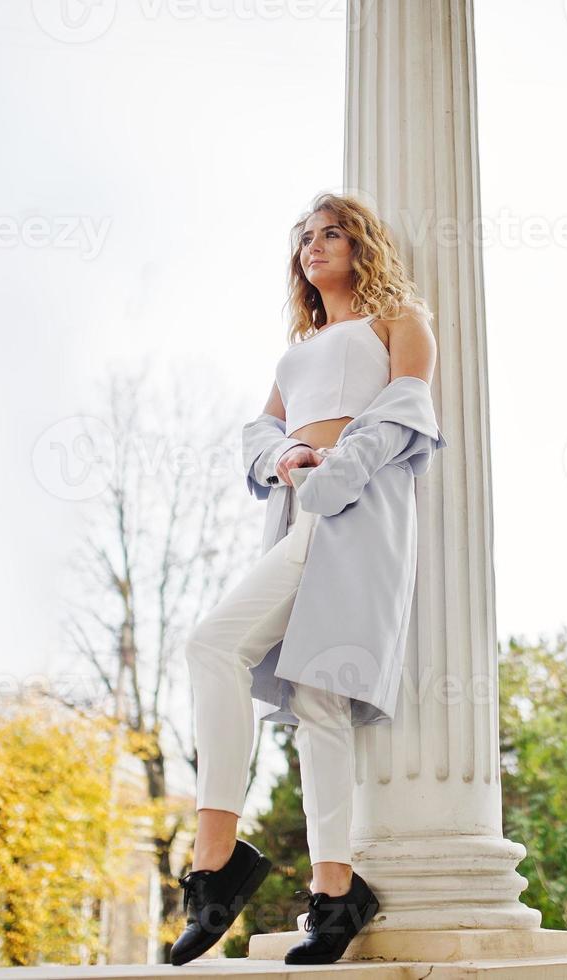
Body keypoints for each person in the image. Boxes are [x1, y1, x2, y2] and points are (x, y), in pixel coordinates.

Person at [168, 193, 445, 966]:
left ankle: (222, 863)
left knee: (253, 667)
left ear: (361, 247)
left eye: (332, 234)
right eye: (305, 239)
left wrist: (332, 474)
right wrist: (284, 459)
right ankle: (333, 890)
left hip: (354, 515)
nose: (314, 247)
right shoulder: (301, 347)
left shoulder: (400, 319)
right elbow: (261, 427)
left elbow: (404, 411)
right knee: (263, 673)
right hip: (298, 514)